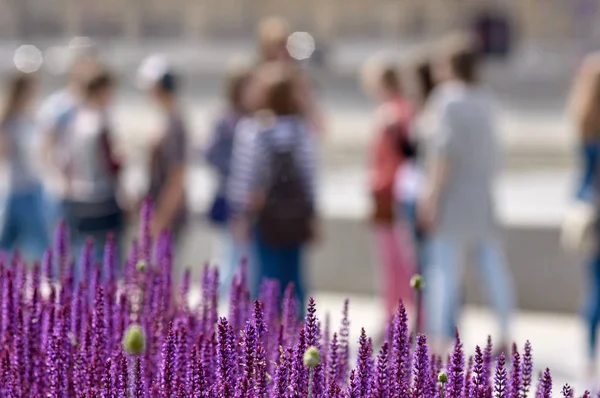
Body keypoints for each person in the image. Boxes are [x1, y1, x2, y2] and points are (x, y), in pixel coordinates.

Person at [420, 39, 515, 353]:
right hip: (482, 196)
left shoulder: (447, 99)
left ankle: (439, 337)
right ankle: (504, 331)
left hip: (453, 197)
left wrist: (431, 197)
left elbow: (443, 154)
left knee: (444, 271)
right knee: (493, 268)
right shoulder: (487, 99)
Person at [228, 62, 318, 312]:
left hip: (265, 216)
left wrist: (239, 214)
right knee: (295, 279)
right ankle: (298, 337)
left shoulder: (253, 130)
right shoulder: (301, 131)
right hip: (295, 216)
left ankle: (265, 339)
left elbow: (244, 178)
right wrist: (312, 214)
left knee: (266, 280)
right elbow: (310, 176)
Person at [363, 60, 417, 320]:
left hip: (388, 193)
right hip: (396, 192)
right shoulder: (406, 110)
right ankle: (404, 315)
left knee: (393, 260)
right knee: (400, 259)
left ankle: (392, 316)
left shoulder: (392, 115)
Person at [60, 70, 123, 274]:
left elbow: (65, 161)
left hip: (78, 197)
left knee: (81, 258)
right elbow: (112, 163)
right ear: (100, 90)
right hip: (102, 198)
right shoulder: (100, 122)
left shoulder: (74, 120)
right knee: (106, 262)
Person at [38, 52, 99, 234]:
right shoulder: (58, 105)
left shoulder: (94, 105)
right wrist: (58, 177)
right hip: (62, 191)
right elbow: (45, 145)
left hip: (89, 193)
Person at [204, 64, 251, 290]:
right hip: (229, 195)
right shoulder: (226, 118)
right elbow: (210, 153)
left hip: (247, 198)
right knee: (229, 255)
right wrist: (235, 170)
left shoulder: (254, 118)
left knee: (243, 259)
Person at [568, 53, 600, 381]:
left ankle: (590, 357)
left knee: (595, 289)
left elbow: (581, 184)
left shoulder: (586, 125)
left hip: (596, 216)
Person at [137, 56, 188, 242]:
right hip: (157, 211)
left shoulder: (174, 125)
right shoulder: (166, 119)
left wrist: (160, 220)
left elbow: (177, 178)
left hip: (167, 218)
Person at [0, 73, 49, 261]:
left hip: (34, 186)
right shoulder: (8, 123)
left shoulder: (31, 120)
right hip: (16, 189)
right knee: (13, 241)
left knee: (37, 242)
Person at [255, 16, 324, 136]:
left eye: (284, 45)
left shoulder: (298, 78)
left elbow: (316, 123)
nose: (281, 52)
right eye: (276, 46)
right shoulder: (257, 79)